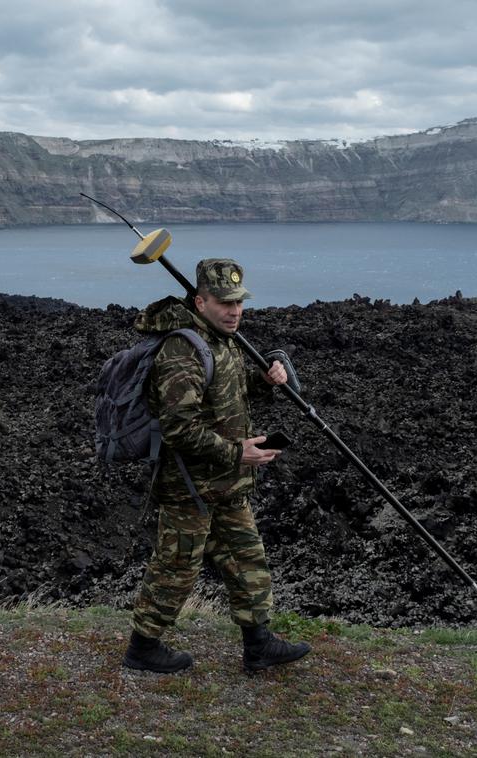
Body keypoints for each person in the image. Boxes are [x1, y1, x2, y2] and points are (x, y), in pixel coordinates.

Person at [122, 258, 312, 674]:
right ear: (200, 301)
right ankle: (143, 648)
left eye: (239, 301)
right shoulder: (182, 349)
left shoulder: (224, 341)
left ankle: (258, 644)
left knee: (247, 560)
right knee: (176, 567)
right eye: (224, 302)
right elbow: (179, 427)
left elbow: (229, 398)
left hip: (226, 485)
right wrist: (236, 453)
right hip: (189, 487)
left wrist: (262, 383)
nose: (235, 310)